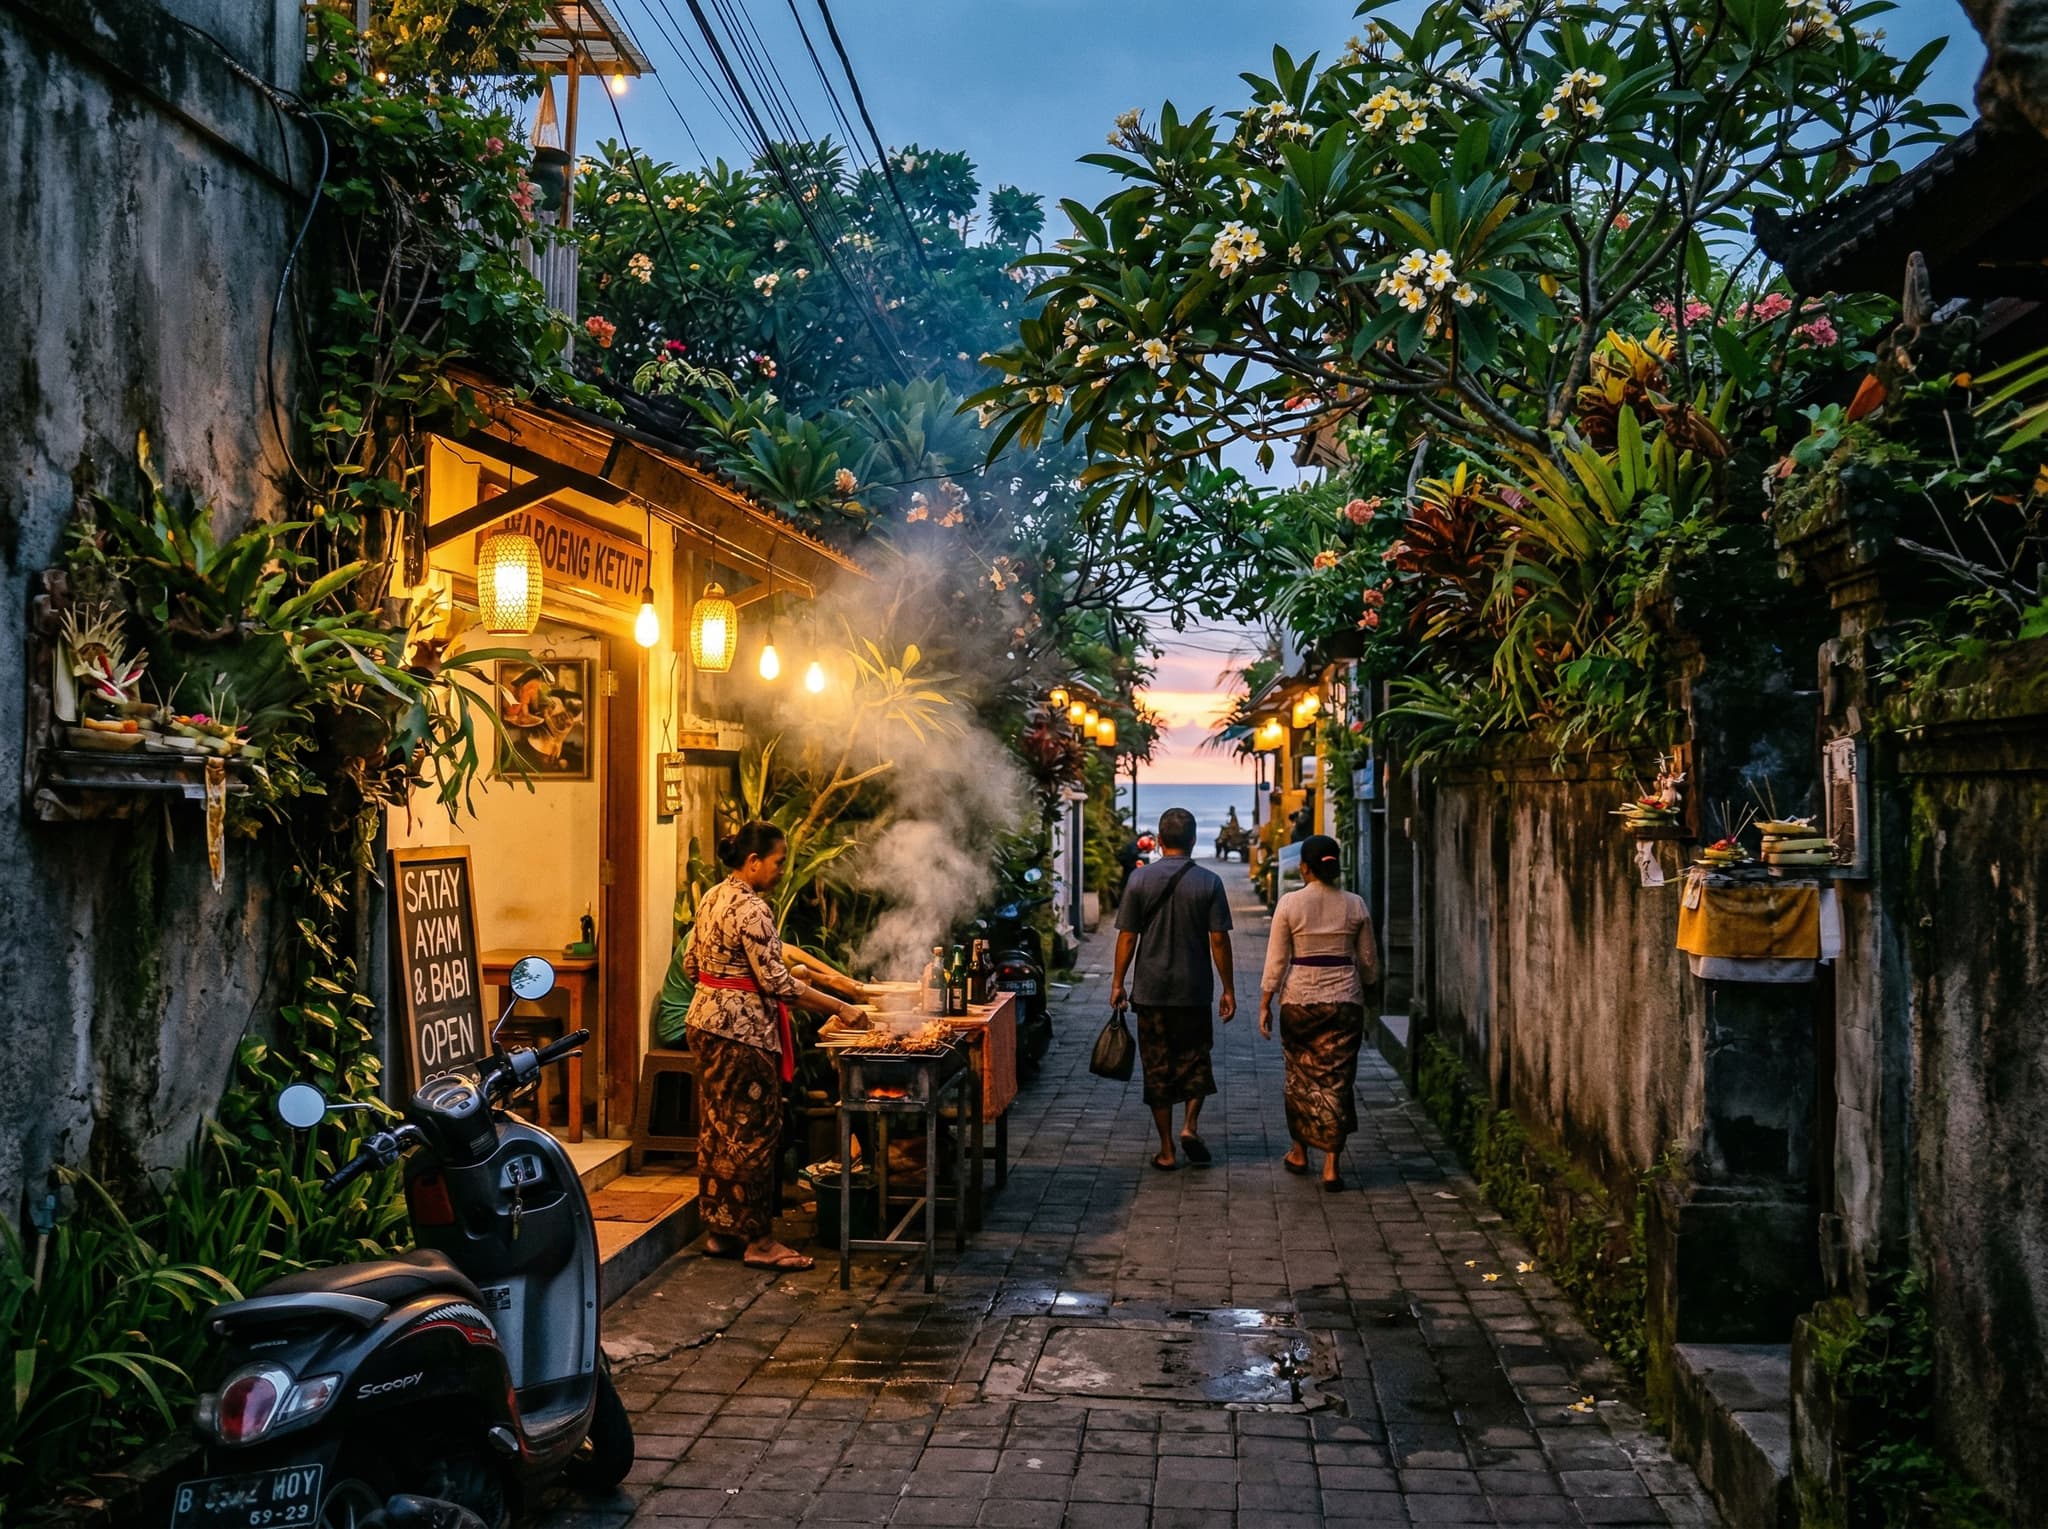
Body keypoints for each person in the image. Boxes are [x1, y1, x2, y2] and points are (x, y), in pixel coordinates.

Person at [676, 820, 866, 1270]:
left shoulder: (711, 897)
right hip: (741, 1035)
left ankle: (721, 1232)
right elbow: (778, 984)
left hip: (703, 1024)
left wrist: (723, 986)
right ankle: (759, 1242)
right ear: (754, 862)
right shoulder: (752, 907)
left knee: (717, 1129)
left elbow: (690, 964)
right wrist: (841, 1007)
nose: (782, 870)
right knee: (754, 1133)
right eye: (779, 862)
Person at [1111, 807, 1236, 1171]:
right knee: (1196, 1057)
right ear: (1194, 841)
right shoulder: (1210, 882)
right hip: (1194, 990)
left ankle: (1166, 1150)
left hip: (1150, 992)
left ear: (1160, 841)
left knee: (1157, 1067)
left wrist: (1118, 983)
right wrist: (1228, 988)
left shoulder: (1139, 881)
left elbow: (1127, 937)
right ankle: (1190, 1125)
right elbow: (1219, 941)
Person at [1258, 834, 1379, 1191]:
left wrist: (1265, 1003)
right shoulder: (1355, 905)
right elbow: (1369, 962)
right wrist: (1370, 990)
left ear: (1304, 868)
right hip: (1344, 1001)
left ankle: (1299, 1151)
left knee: (1300, 1078)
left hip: (1299, 1001)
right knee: (1337, 1081)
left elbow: (1276, 960)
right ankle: (1331, 1166)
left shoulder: (1290, 904)